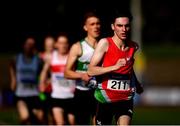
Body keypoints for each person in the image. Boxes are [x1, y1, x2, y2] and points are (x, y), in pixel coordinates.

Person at [87, 10, 143, 125]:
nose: (123, 29)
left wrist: (137, 84)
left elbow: (128, 68)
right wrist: (114, 67)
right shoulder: (105, 43)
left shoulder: (134, 46)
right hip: (105, 98)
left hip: (125, 98)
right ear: (113, 26)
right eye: (120, 26)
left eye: (126, 26)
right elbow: (90, 70)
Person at [64, 11, 101, 125]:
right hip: (82, 93)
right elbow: (66, 72)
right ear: (85, 27)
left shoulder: (104, 46)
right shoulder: (78, 47)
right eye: (92, 24)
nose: (96, 26)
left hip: (99, 92)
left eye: (98, 23)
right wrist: (81, 75)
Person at [39, 33, 76, 125]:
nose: (63, 45)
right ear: (56, 44)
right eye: (60, 43)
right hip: (56, 96)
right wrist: (42, 84)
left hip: (70, 96)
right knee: (60, 123)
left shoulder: (72, 56)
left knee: (72, 122)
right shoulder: (51, 56)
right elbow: (44, 71)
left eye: (65, 43)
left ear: (68, 45)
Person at [9, 37, 44, 125]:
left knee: (39, 117)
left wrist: (42, 82)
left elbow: (42, 73)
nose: (30, 46)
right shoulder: (16, 58)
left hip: (34, 94)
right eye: (28, 44)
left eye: (32, 44)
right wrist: (13, 79)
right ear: (24, 45)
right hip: (21, 94)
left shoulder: (38, 60)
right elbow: (11, 67)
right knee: (25, 117)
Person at [39, 35, 55, 124]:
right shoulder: (39, 57)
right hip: (40, 89)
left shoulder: (57, 57)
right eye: (48, 44)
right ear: (45, 45)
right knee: (41, 114)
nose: (50, 46)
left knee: (52, 113)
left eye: (51, 44)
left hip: (53, 88)